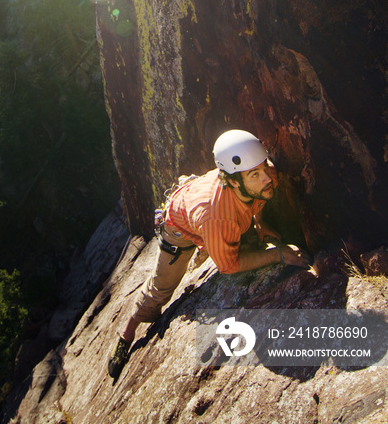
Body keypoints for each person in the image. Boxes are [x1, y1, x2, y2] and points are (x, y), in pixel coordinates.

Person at [108, 129, 311, 378]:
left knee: (235, 228)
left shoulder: (260, 173)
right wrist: (278, 255)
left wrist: (260, 223)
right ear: (234, 181)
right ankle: (126, 335)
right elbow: (229, 266)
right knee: (160, 289)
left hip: (207, 211)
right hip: (179, 230)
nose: (267, 177)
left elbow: (258, 197)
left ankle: (209, 247)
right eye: (255, 174)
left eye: (263, 168)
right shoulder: (218, 218)